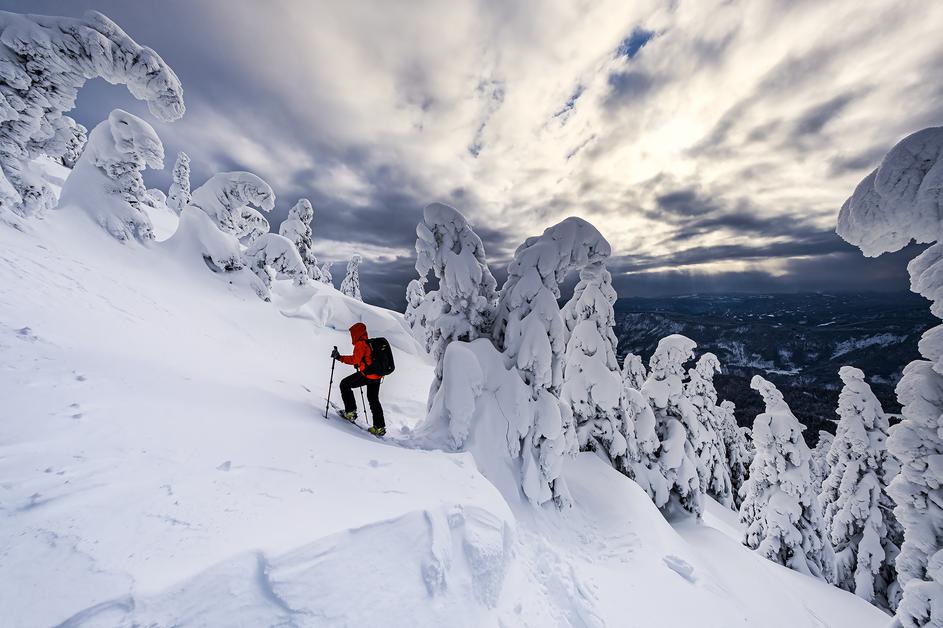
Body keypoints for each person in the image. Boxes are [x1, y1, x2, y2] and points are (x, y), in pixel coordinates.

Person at [331, 322, 386, 436]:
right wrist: (360, 363)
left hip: (368, 375)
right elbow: (366, 359)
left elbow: (354, 360)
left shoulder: (360, 344)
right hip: (377, 376)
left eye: (352, 333)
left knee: (344, 384)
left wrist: (339, 357)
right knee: (373, 399)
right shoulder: (369, 342)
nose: (351, 335)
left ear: (356, 334)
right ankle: (379, 427)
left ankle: (350, 412)